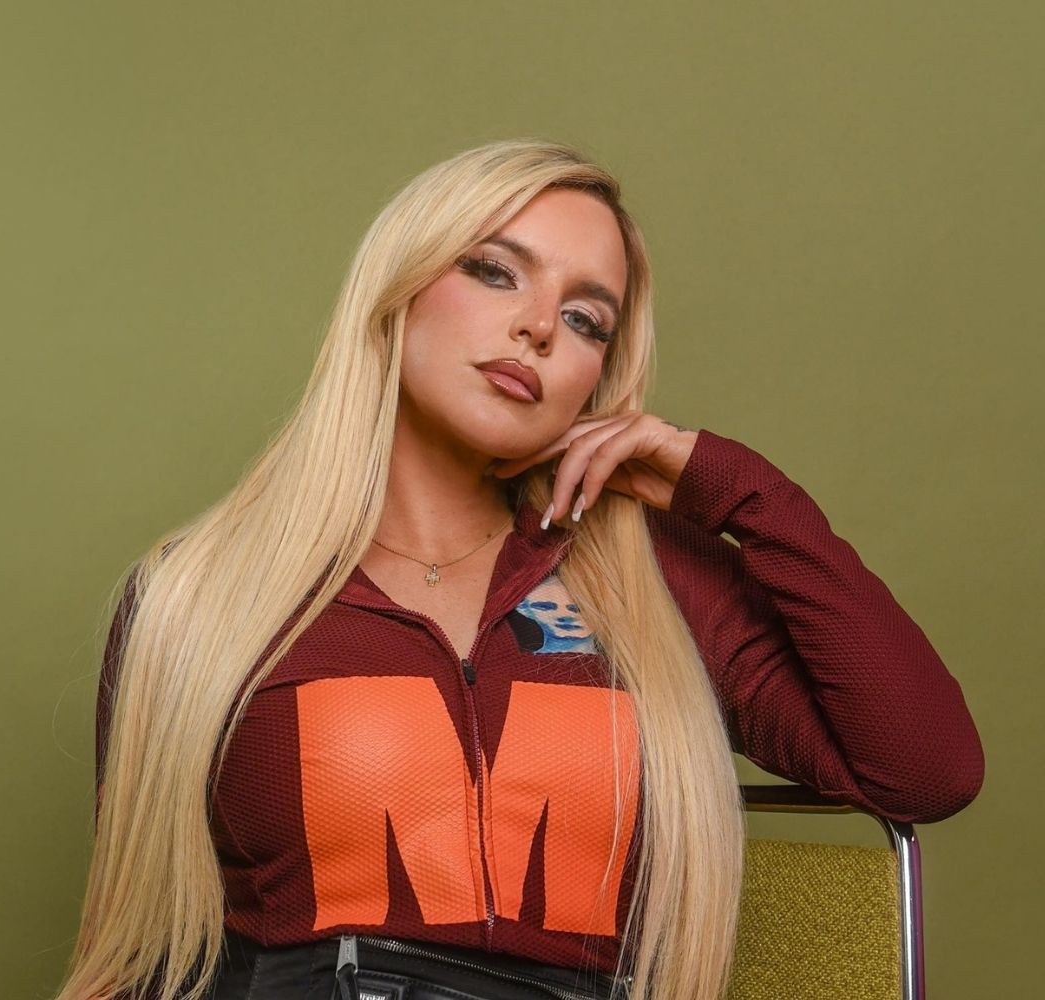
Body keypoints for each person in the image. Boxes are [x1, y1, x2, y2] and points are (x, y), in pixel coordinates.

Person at [53, 139, 985, 1000]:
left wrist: (739, 491)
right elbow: (140, 954)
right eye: (495, 272)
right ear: (397, 289)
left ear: (598, 380)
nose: (539, 327)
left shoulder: (658, 586)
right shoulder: (198, 595)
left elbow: (926, 772)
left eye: (585, 319)